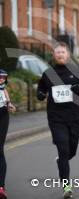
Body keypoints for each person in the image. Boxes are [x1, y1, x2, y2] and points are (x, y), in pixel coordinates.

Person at [37, 42, 79, 198]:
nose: (60, 55)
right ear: (54, 55)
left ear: (68, 55)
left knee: (71, 151)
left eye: (63, 52)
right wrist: (41, 94)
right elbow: (41, 88)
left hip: (74, 117)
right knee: (63, 149)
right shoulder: (48, 73)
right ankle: (66, 187)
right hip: (56, 118)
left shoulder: (76, 71)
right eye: (57, 52)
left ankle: (62, 160)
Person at [0, 69, 16, 199]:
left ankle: (1, 187)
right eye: (0, 77)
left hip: (2, 116)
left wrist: (9, 104)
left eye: (3, 78)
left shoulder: (3, 87)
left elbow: (5, 92)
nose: (1, 80)